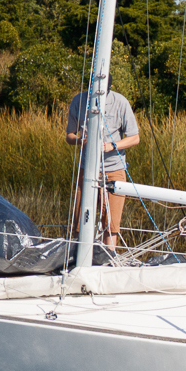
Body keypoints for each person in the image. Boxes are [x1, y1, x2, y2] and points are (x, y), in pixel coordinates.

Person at [66, 87, 140, 250]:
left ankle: (108, 258)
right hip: (87, 169)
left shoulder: (120, 102)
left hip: (114, 170)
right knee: (80, 220)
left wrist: (111, 146)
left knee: (111, 223)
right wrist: (81, 141)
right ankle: (78, 257)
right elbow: (69, 136)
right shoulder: (79, 100)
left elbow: (135, 138)